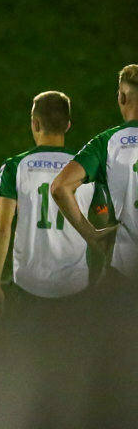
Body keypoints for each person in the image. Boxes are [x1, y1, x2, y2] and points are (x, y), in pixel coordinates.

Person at [0, 91, 101, 314]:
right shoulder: (86, 166)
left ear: (35, 123)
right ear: (68, 125)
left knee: (27, 349)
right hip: (75, 287)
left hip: (29, 287)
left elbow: (2, 229)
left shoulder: (15, 166)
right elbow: (105, 214)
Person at [52, 64, 138, 279]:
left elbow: (60, 187)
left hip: (125, 269)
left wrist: (91, 235)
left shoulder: (106, 143)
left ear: (122, 98)